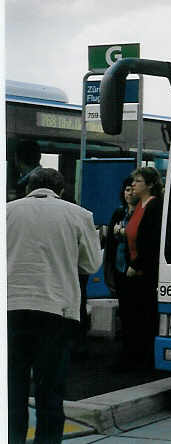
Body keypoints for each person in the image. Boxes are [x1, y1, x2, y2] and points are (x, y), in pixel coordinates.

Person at [7, 168, 101, 444]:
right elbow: (90, 264)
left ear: (29, 188)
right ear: (60, 191)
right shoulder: (79, 215)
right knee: (50, 390)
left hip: (10, 308)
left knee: (13, 387)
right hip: (56, 312)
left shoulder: (6, 211)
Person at [124, 166, 164, 367]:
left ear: (149, 185)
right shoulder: (139, 205)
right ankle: (134, 355)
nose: (132, 184)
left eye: (138, 181)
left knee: (144, 315)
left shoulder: (154, 207)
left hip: (144, 271)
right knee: (133, 315)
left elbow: (151, 240)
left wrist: (136, 264)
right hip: (133, 269)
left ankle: (144, 357)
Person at [103, 176, 138, 363]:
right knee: (124, 310)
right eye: (126, 189)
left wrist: (124, 233)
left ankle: (132, 351)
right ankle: (125, 350)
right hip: (119, 266)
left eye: (132, 189)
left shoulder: (142, 213)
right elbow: (110, 244)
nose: (129, 193)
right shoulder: (119, 213)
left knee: (134, 311)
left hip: (135, 269)